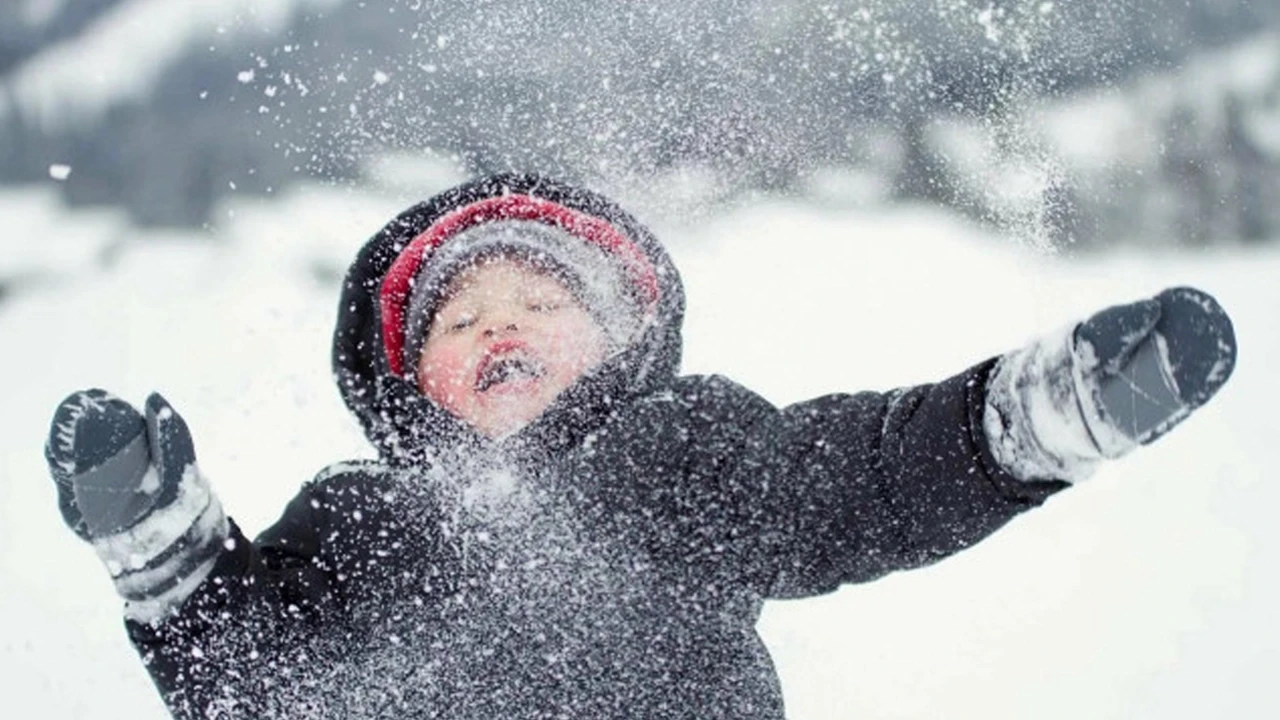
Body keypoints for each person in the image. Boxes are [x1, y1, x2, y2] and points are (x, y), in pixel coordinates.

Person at [44, 173, 1237, 719]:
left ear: (620, 341)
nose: (499, 323)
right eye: (458, 319)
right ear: (406, 383)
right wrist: (168, 550)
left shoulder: (678, 454)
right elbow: (253, 684)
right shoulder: (361, 514)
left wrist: (1033, 417)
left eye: (541, 306)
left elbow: (864, 478)